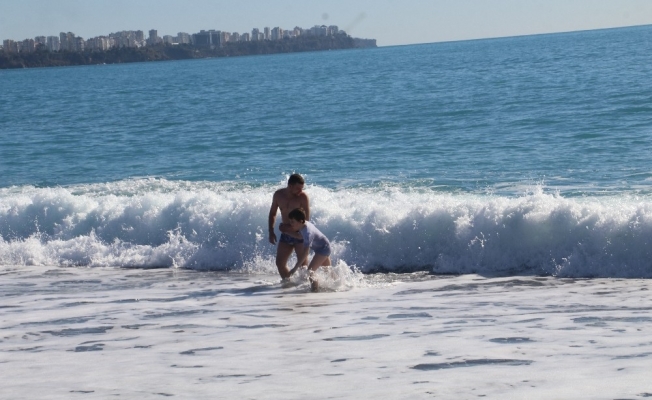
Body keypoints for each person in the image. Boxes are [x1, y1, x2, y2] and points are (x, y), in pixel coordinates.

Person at [268, 173, 310, 278]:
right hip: (286, 233)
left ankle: (305, 287)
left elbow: (307, 220)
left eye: (302, 188)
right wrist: (271, 231)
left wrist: (292, 229)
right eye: (298, 188)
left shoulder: (303, 197)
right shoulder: (278, 195)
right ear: (290, 186)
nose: (300, 191)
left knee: (303, 266)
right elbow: (272, 213)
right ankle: (288, 284)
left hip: (299, 234)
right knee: (280, 263)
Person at [286, 207, 331, 292]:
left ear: (300, 221)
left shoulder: (308, 232)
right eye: (290, 221)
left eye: (292, 221)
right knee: (328, 271)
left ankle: (315, 291)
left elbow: (305, 253)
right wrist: (287, 232)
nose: (290, 223)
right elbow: (300, 236)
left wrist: (295, 268)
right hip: (322, 247)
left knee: (310, 272)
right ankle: (341, 284)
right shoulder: (303, 225)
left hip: (323, 249)